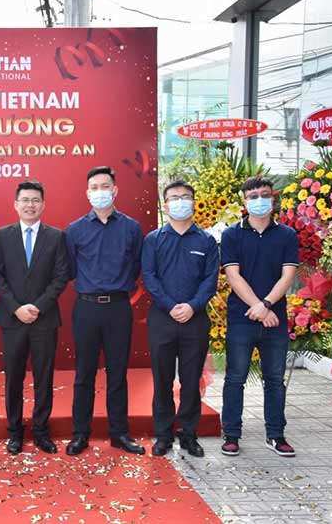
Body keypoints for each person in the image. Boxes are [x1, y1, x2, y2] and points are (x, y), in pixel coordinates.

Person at [65, 166, 145, 456]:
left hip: (118, 308)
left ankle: (119, 433)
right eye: (94, 187)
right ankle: (80, 434)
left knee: (118, 373)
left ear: (115, 190)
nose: (100, 192)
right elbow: (70, 269)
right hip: (86, 308)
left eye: (105, 186)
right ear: (87, 193)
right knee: (84, 374)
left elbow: (137, 266)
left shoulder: (131, 228)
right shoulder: (74, 230)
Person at [220, 176, 299, 458]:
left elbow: (287, 276)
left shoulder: (287, 235)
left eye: (265, 195)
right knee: (235, 377)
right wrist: (258, 306)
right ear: (244, 201)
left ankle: (276, 435)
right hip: (242, 317)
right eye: (253, 196)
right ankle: (231, 435)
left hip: (275, 318)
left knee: (275, 379)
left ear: (273, 198)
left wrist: (266, 305)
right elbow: (233, 276)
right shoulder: (231, 235)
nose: (259, 200)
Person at [0, 180, 69, 455]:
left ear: (43, 205)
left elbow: (61, 277)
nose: (30, 205)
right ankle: (14, 432)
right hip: (12, 319)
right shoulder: (2, 236)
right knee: (13, 377)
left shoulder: (57, 237)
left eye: (35, 200)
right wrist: (16, 308)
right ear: (15, 204)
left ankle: (41, 431)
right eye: (25, 200)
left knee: (43, 377)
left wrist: (38, 306)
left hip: (44, 319)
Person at [141, 180, 218, 457]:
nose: (180, 202)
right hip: (162, 319)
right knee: (162, 380)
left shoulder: (206, 240)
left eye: (185, 197)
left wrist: (192, 306)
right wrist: (171, 305)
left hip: (195, 320)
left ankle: (188, 434)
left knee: (191, 380)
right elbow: (149, 277)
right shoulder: (153, 240)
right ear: (165, 205)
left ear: (194, 202)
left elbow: (210, 280)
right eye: (174, 197)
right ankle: (163, 435)